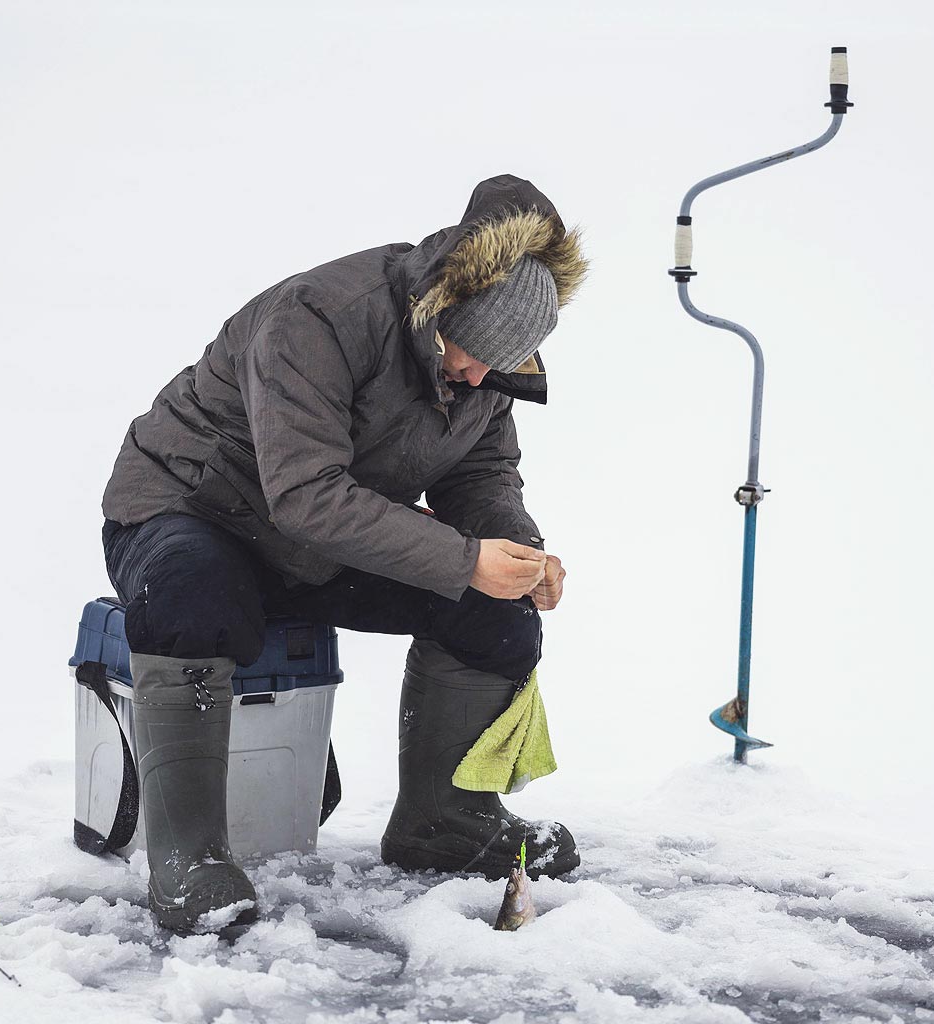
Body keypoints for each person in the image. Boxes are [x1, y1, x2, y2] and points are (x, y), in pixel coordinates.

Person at [101, 173, 589, 934]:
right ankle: (188, 855)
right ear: (441, 308)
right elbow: (304, 494)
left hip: (322, 543)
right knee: (195, 598)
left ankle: (442, 821)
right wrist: (463, 557)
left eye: (494, 368)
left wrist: (517, 553)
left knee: (496, 611)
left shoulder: (486, 370)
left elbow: (480, 472)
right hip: (193, 513)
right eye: (466, 356)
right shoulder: (321, 317)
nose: (473, 378)